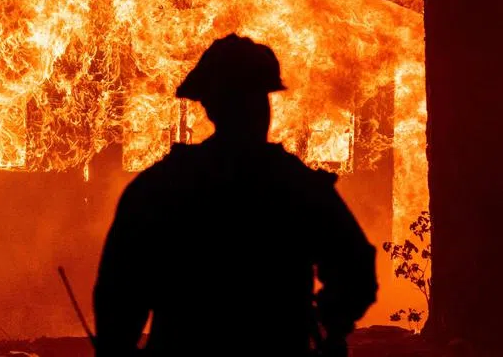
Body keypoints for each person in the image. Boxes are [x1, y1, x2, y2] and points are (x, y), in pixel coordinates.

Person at [94, 34, 378, 357]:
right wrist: (330, 325)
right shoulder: (295, 186)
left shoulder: (160, 187)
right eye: (258, 98)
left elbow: (119, 296)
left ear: (210, 108)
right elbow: (356, 270)